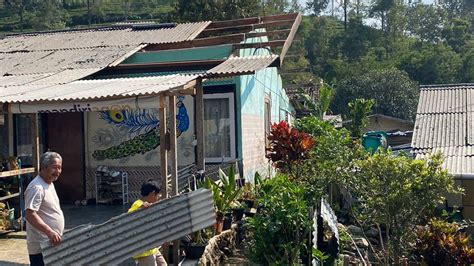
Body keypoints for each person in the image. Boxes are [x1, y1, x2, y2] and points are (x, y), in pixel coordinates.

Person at [24, 151, 64, 266]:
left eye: (60, 168)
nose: (57, 171)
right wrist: (50, 232)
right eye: (54, 168)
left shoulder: (49, 183)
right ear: (43, 167)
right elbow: (30, 214)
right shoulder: (37, 187)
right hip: (41, 247)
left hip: (50, 244)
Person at [128, 179, 167, 266]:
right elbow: (129, 217)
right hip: (143, 252)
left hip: (152, 248)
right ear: (152, 194)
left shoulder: (148, 205)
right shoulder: (138, 204)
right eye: (158, 196)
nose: (157, 199)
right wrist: (140, 209)